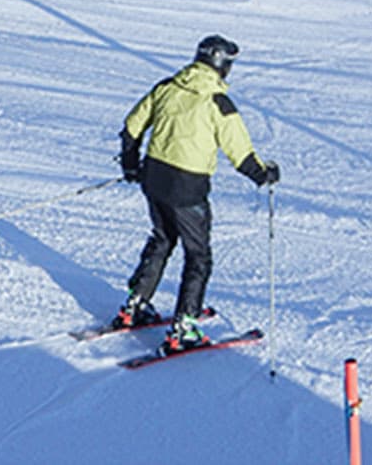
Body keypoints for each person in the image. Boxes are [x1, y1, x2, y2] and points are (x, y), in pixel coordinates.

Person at [113, 35, 280, 351]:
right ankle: (183, 327)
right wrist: (264, 174)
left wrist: (131, 166)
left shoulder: (168, 87)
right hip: (187, 188)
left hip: (154, 177)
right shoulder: (218, 102)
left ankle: (135, 304)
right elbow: (241, 154)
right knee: (198, 254)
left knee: (163, 238)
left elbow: (132, 128)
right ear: (222, 66)